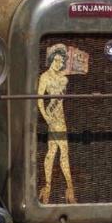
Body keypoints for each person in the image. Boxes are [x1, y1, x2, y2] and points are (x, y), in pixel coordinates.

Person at [37, 44, 76, 205]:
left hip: (61, 115)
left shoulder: (64, 78)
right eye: (57, 60)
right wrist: (45, 116)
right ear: (51, 59)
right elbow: (39, 98)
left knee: (52, 151)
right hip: (52, 115)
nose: (59, 63)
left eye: (62, 61)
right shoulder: (45, 77)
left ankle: (47, 188)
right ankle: (69, 188)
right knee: (63, 151)